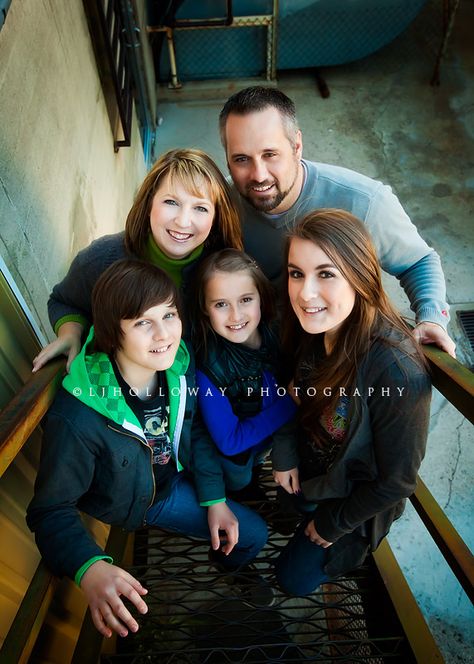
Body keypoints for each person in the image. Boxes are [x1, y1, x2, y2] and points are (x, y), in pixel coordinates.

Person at [27, 259, 268, 638]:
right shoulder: (80, 416)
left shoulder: (178, 365)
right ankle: (234, 566)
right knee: (256, 535)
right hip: (147, 499)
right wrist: (88, 565)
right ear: (112, 333)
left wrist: (214, 498)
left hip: (177, 469)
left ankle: (225, 550)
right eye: (143, 322)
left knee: (241, 478)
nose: (164, 334)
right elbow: (49, 510)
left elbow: (196, 429)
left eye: (169, 315)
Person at [219, 86, 456, 357]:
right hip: (262, 349)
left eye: (270, 154)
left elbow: (418, 262)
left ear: (296, 146)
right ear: (227, 161)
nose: (259, 174)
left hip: (345, 351)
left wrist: (431, 316)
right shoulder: (219, 205)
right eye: (241, 159)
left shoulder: (364, 202)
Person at [271, 209, 431, 595]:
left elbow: (398, 481)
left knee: (292, 580)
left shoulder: (396, 371)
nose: (306, 294)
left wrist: (333, 524)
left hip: (353, 495)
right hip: (312, 469)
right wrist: (285, 451)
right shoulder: (312, 324)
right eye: (297, 273)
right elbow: (291, 393)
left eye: (326, 274)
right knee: (282, 514)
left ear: (360, 275)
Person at [32, 148, 243, 373]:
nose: (183, 221)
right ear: (149, 202)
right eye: (171, 202)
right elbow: (64, 301)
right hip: (119, 394)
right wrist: (70, 332)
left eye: (200, 208)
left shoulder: (226, 272)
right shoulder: (103, 258)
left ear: (216, 217)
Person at [191, 248, 297, 500]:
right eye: (220, 304)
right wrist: (291, 403)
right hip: (236, 453)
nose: (236, 316)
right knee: (240, 480)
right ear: (205, 308)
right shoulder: (208, 366)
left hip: (272, 439)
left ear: (261, 296)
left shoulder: (281, 334)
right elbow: (229, 441)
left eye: (246, 300)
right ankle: (242, 491)